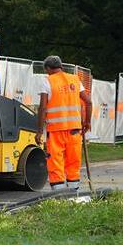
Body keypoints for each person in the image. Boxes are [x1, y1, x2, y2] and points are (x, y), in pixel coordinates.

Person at [36, 55, 92, 191]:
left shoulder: (47, 81)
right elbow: (89, 102)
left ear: (48, 68)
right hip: (74, 130)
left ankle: (59, 195)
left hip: (55, 131)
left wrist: (39, 131)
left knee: (55, 162)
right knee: (73, 163)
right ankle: (74, 193)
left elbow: (43, 108)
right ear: (60, 66)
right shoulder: (75, 79)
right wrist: (87, 122)